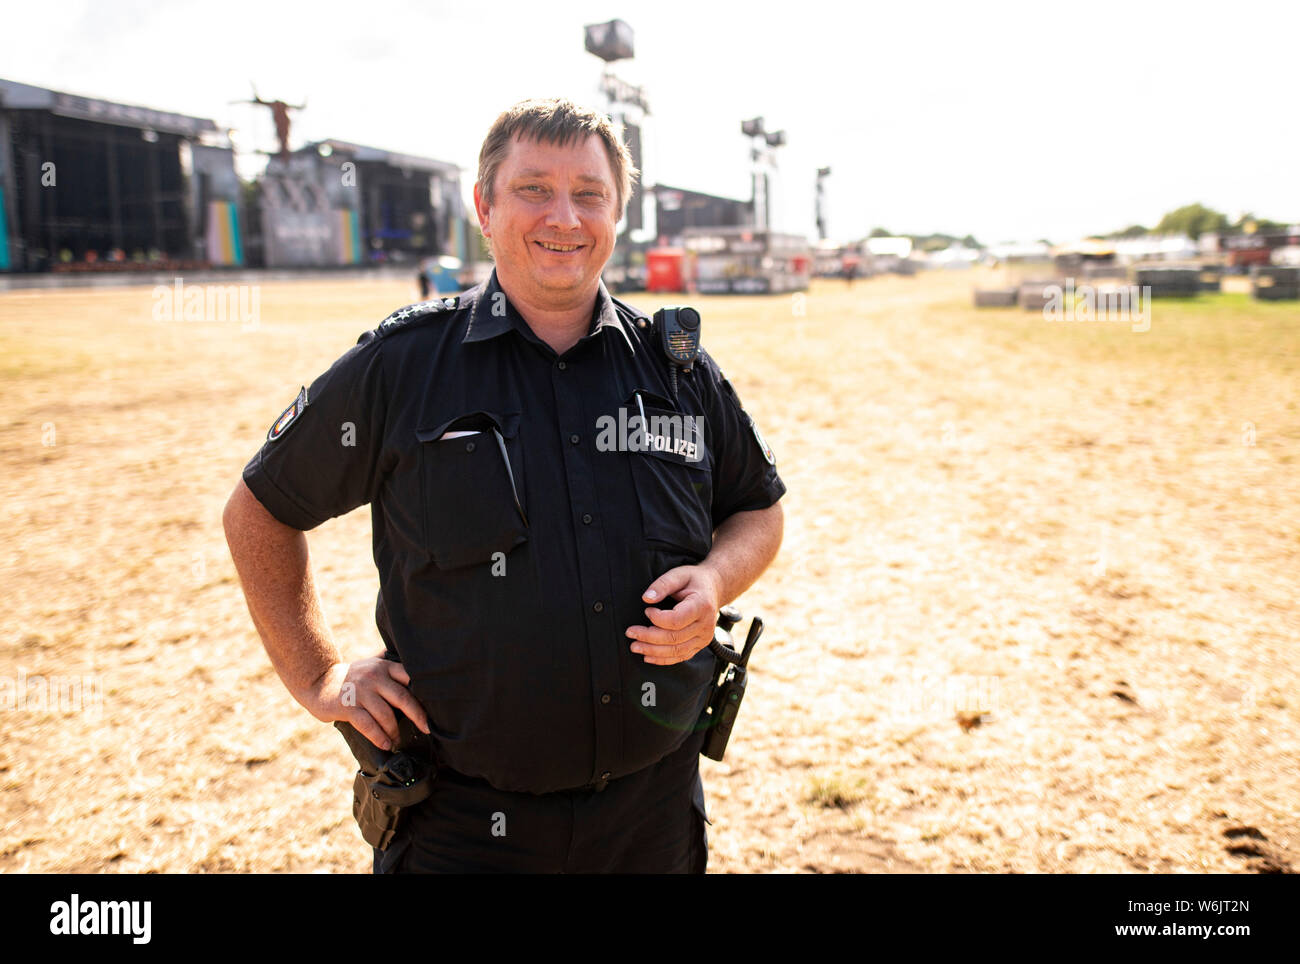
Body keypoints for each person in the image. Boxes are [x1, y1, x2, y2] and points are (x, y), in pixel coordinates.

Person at [222, 97, 785, 873]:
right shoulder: (405, 366)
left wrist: (717, 579)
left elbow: (759, 506)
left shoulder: (677, 371)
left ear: (618, 211)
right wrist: (318, 674)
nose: (565, 215)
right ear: (484, 206)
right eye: (534, 189)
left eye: (590, 192)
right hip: (462, 829)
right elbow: (260, 510)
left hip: (649, 817)